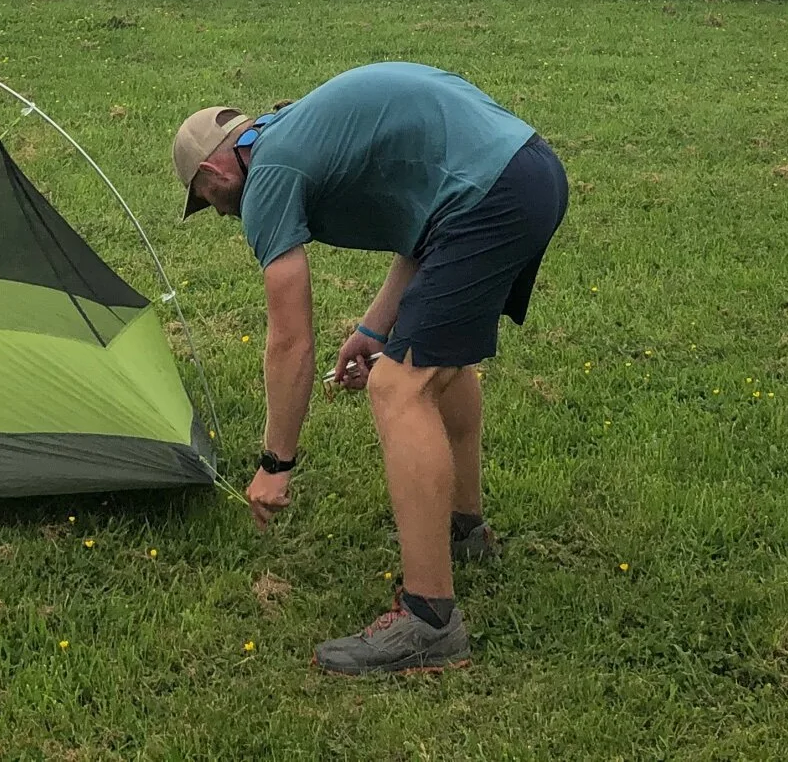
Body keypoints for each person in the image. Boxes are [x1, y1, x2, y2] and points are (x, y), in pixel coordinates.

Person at [171, 60, 568, 675]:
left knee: (399, 386)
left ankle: (429, 621)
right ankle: (464, 530)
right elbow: (425, 224)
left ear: (212, 172)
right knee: (437, 362)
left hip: (491, 194)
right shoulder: (303, 133)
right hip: (527, 169)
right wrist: (375, 330)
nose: (222, 215)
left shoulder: (268, 174)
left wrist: (276, 464)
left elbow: (290, 341)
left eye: (208, 202)